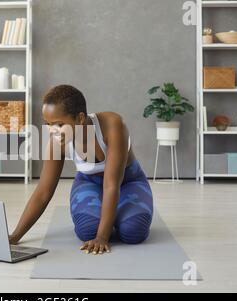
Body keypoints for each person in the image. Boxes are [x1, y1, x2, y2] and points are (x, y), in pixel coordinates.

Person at [9, 85, 154, 255]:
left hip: (127, 181)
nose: (53, 131)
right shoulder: (56, 142)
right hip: (89, 182)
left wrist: (102, 237)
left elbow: (111, 185)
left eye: (59, 124)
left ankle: (116, 219)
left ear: (80, 118)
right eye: (48, 124)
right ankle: (108, 217)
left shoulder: (113, 125)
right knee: (87, 231)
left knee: (133, 232)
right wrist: (15, 235)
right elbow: (43, 192)